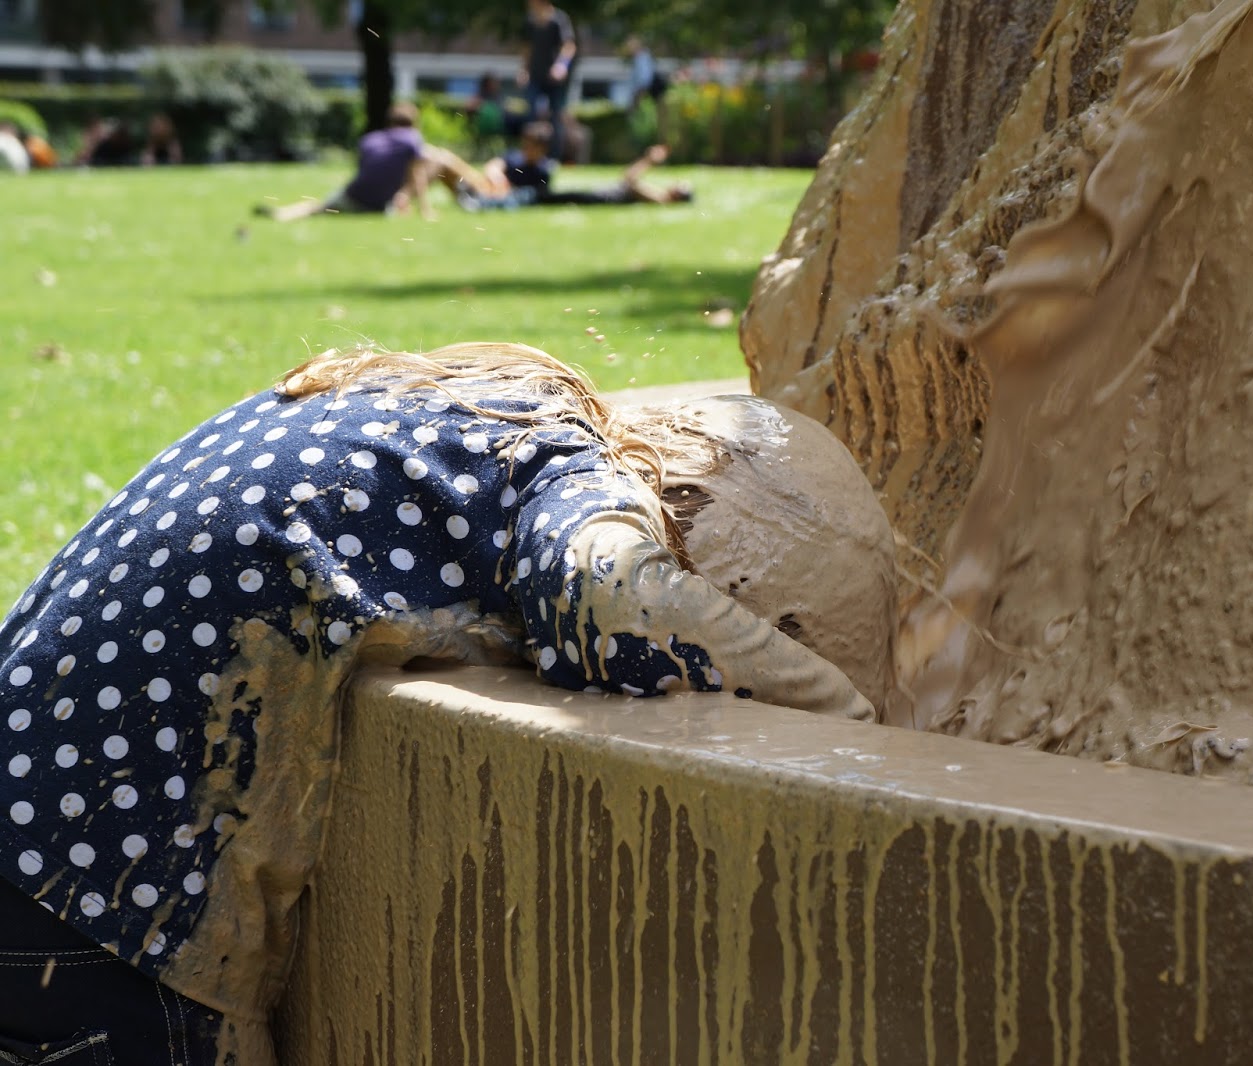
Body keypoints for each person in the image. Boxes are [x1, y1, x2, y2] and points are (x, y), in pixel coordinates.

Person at [0, 342, 892, 1063]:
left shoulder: (430, 422)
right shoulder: (558, 452)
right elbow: (614, 601)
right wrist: (848, 724)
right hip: (99, 909)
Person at [256, 102, 432, 222]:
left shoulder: (370, 139)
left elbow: (365, 170)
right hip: (378, 205)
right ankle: (283, 214)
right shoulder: (412, 139)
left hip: (354, 194)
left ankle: (283, 214)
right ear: (414, 123)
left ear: (391, 121)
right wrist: (424, 209)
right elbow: (418, 174)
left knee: (318, 207)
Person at [458, 121, 692, 210]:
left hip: (599, 198)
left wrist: (648, 161)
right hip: (596, 195)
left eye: (679, 186)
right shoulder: (660, 196)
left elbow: (628, 181)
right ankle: (479, 200)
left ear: (678, 196)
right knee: (540, 197)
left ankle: (480, 203)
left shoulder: (660, 198)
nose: (675, 183)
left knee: (537, 197)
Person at [518, 0, 578, 162]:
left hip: (554, 79)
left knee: (555, 117)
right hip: (535, 76)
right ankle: (529, 156)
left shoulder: (559, 19)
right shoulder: (530, 20)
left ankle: (553, 157)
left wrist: (561, 65)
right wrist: (524, 70)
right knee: (530, 115)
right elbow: (527, 47)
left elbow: (569, 45)